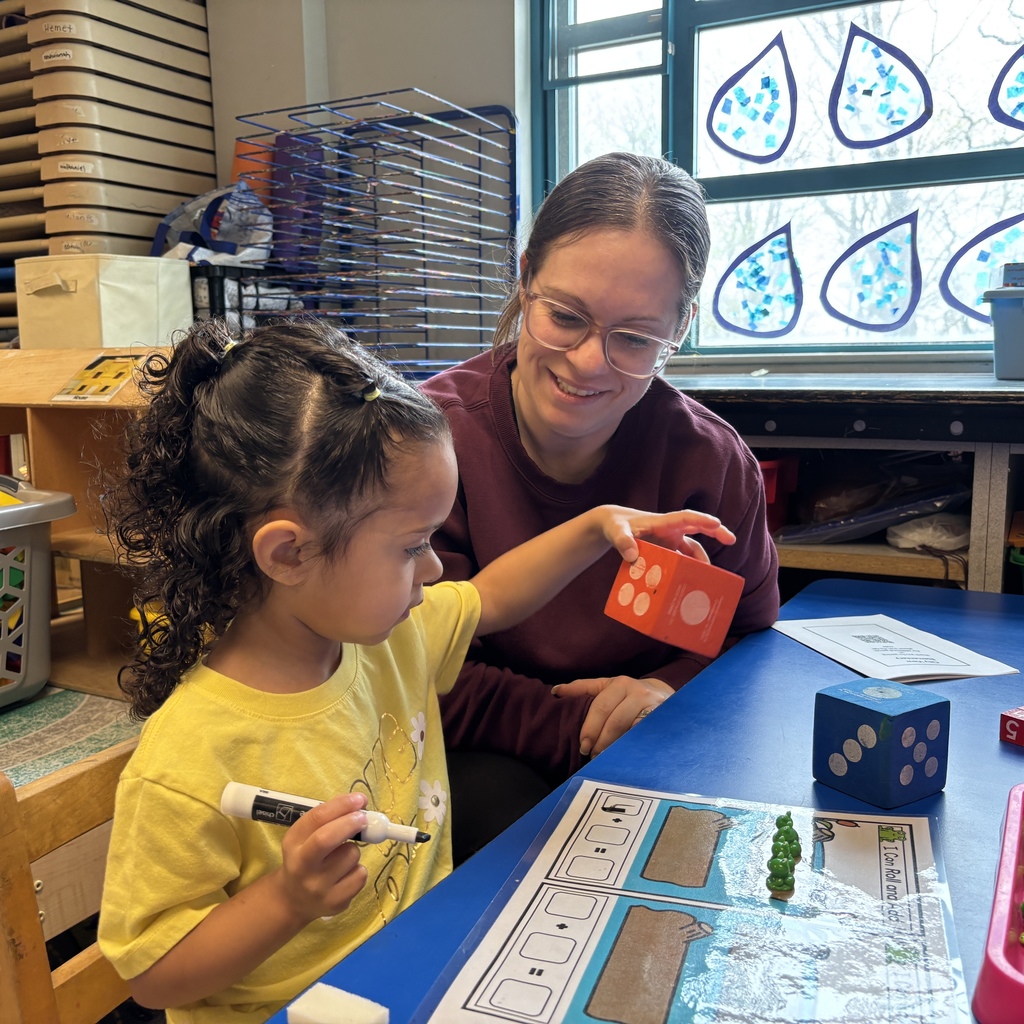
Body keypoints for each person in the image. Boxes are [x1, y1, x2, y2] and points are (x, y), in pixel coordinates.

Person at [96, 317, 736, 1024]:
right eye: (412, 546)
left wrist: (596, 527)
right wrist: (287, 900)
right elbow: (153, 977)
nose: (435, 568)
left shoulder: (384, 639)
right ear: (288, 555)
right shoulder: (187, 759)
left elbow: (491, 594)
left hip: (422, 976)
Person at [421, 152, 780, 860]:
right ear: (524, 278)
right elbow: (407, 661)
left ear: (680, 330)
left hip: (657, 751)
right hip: (480, 758)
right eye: (565, 317)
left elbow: (753, 644)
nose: (588, 362)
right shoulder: (424, 447)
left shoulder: (711, 463)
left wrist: (667, 692)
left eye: (636, 339)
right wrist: (589, 727)